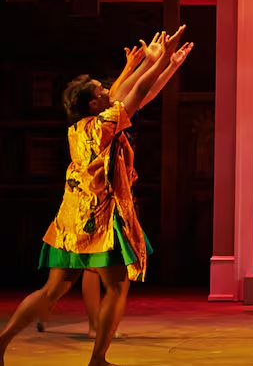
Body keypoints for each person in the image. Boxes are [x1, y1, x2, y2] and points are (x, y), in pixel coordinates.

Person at [0, 27, 192, 366]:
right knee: (117, 286)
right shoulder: (103, 125)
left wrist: (165, 64)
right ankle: (98, 359)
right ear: (94, 103)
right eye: (102, 91)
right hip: (97, 219)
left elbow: (140, 95)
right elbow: (137, 92)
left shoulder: (81, 127)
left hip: (69, 221)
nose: (109, 90)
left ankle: (2, 341)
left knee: (51, 291)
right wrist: (156, 61)